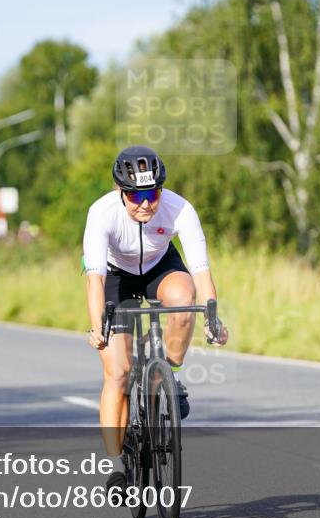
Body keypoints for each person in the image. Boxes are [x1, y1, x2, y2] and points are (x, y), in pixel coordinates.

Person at [82, 145, 229, 496]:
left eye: (153, 193)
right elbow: (95, 280)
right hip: (116, 276)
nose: (146, 203)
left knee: (183, 297)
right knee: (117, 373)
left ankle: (171, 376)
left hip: (159, 268)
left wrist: (212, 316)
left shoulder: (180, 209)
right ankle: (117, 465)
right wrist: (97, 326)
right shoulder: (101, 213)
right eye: (135, 195)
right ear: (120, 191)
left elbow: (201, 270)